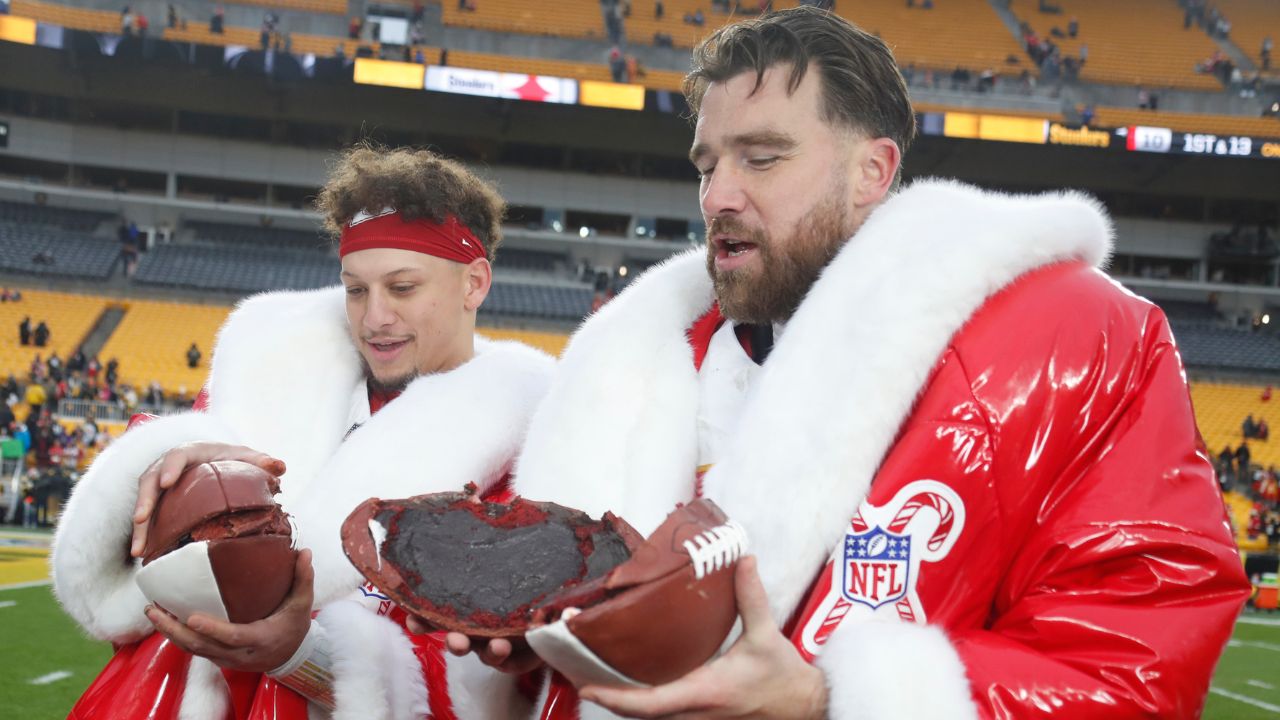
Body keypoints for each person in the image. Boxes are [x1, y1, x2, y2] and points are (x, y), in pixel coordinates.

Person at [464, 8, 1250, 719]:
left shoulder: (1068, 341)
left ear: (873, 171)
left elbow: (1134, 663)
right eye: (707, 165)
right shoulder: (633, 357)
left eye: (763, 158)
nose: (717, 196)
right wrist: (542, 644)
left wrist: (824, 700)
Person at [51, 145, 556, 720]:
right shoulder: (265, 376)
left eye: (403, 288)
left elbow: (492, 688)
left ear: (474, 284)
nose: (374, 318)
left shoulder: (533, 454)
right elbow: (125, 572)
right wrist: (174, 478)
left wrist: (299, 655)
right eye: (356, 289)